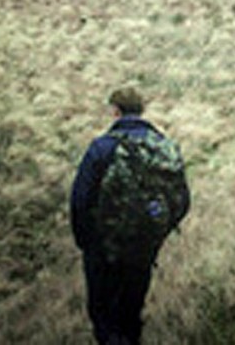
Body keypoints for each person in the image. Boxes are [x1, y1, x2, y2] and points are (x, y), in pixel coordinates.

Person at [70, 87, 190, 345]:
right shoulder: (164, 147)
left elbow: (80, 200)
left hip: (104, 248)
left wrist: (87, 242)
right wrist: (158, 232)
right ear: (141, 110)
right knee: (130, 313)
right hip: (144, 247)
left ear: (115, 111)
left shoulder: (102, 148)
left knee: (105, 317)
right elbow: (182, 200)